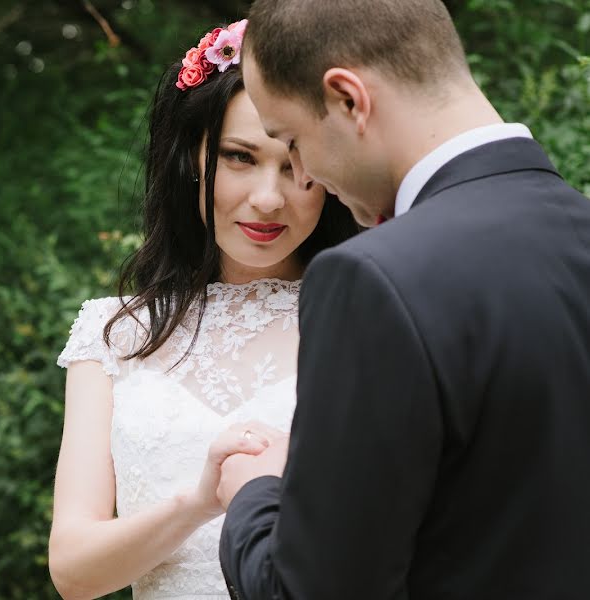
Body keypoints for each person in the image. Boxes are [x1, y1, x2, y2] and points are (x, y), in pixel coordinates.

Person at [216, 1, 590, 599]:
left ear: (347, 99)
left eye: (292, 140)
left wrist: (254, 494)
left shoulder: (373, 279)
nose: (305, 174)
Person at [48, 19, 359, 600]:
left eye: (297, 165)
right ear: (188, 158)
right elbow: (73, 572)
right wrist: (197, 503)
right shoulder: (112, 333)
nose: (269, 198)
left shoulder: (367, 320)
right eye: (240, 157)